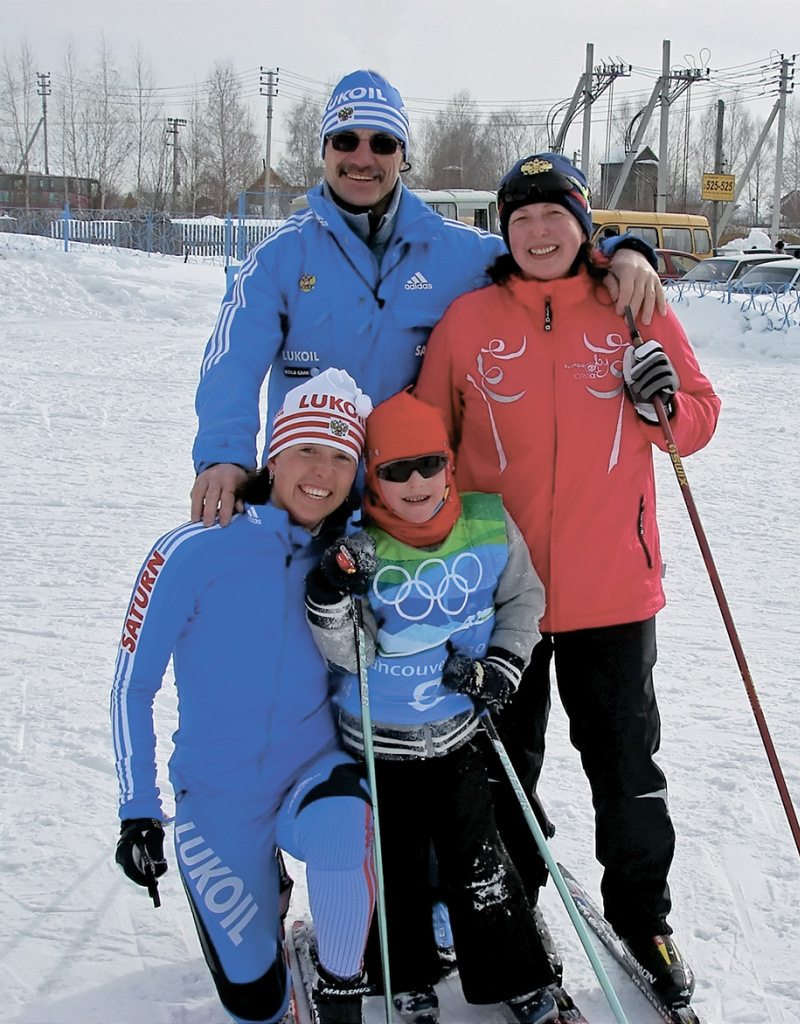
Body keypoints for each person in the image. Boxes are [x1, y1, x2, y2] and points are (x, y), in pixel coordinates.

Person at [415, 153, 721, 1009]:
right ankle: (514, 922)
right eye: (522, 218)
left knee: (627, 772)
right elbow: (427, 432)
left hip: (613, 593)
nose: (540, 232)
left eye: (556, 215)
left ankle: (643, 919)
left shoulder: (631, 303)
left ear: (584, 225)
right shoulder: (470, 319)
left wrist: (665, 403)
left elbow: (697, 416)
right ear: (504, 232)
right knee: (504, 772)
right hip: (498, 598)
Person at [189, 68, 667, 530]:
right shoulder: (279, 257)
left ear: (402, 156)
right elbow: (232, 361)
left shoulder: (458, 252)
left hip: (410, 507)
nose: (362, 157)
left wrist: (621, 252)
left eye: (382, 143)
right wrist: (223, 456)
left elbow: (545, 255)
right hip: (308, 503)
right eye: (345, 139)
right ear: (324, 149)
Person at [112, 369, 378, 1024]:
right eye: (307, 450)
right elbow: (132, 686)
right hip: (218, 794)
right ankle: (265, 912)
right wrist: (137, 810)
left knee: (346, 824)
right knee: (254, 1003)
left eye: (342, 457)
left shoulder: (348, 555)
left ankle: (342, 997)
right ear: (272, 456)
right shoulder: (193, 548)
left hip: (310, 773)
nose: (322, 472)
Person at [304, 390, 558, 1024]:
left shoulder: (488, 523)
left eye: (428, 464)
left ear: (449, 463)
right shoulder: (357, 547)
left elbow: (525, 599)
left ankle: (514, 975)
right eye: (394, 471)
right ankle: (404, 973)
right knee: (394, 866)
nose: (415, 482)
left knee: (479, 857)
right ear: (374, 479)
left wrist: (503, 664)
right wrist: (332, 594)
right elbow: (345, 653)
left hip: (457, 732)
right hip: (379, 741)